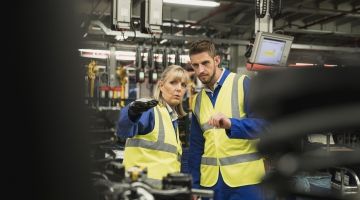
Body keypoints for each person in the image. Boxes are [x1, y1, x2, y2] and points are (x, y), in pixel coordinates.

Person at [188, 40, 267, 200]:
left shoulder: (242, 84)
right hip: (211, 184)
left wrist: (232, 124)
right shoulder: (197, 101)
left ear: (216, 60)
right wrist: (194, 185)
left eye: (205, 63)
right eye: (195, 66)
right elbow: (196, 147)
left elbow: (264, 125)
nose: (201, 70)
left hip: (246, 182)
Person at [117, 65, 190, 183]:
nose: (179, 89)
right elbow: (124, 130)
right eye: (173, 83)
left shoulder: (172, 119)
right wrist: (132, 111)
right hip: (142, 191)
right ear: (161, 86)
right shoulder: (150, 111)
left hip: (165, 192)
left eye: (183, 85)